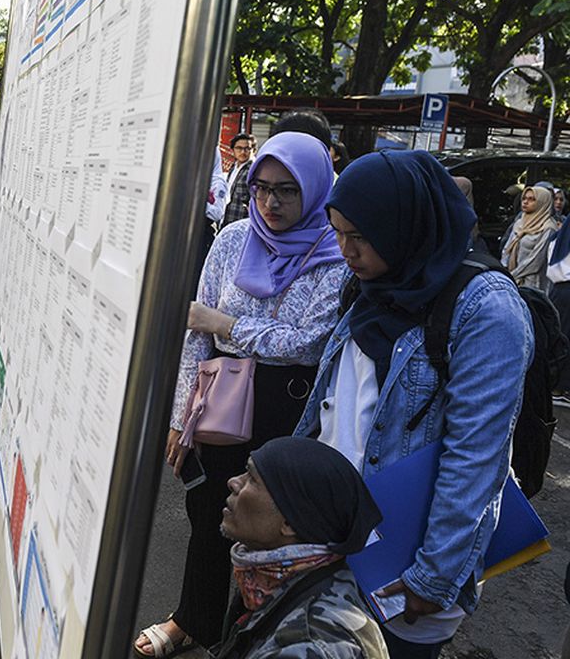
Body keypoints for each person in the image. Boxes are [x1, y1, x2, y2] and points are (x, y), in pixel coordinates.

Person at [300, 149, 534, 658]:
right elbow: (337, 405)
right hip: (333, 541)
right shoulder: (372, 283)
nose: (344, 249)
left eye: (359, 235)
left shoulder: (487, 309)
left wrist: (434, 575)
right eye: (337, 231)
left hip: (404, 564)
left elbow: (476, 456)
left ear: (404, 225)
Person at [138, 132, 348, 657]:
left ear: (316, 190)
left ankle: (250, 635)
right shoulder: (233, 238)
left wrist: (225, 322)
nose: (270, 204)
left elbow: (309, 344)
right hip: (222, 400)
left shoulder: (335, 249)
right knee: (209, 515)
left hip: (291, 410)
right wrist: (179, 416)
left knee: (275, 531)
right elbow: (196, 331)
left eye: (287, 191)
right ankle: (192, 619)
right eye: (260, 188)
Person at [201, 437, 388, 659]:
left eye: (252, 478)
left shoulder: (306, 644)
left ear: (290, 522)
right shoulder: (287, 580)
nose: (233, 482)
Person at [503, 185, 558, 290]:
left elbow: (536, 260)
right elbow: (507, 248)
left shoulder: (548, 228)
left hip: (532, 283)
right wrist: (504, 270)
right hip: (512, 280)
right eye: (524, 198)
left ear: (542, 202)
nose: (525, 202)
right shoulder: (520, 222)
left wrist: (513, 275)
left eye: (531, 199)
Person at [222, 133, 256, 227]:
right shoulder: (234, 166)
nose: (243, 152)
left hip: (242, 222)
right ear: (232, 150)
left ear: (254, 150)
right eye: (239, 148)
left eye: (247, 148)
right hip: (227, 218)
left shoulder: (254, 169)